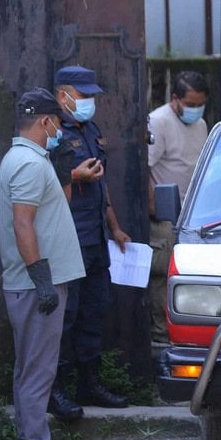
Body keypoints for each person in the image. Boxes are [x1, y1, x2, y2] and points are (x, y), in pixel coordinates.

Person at [0, 88, 86, 440]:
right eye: (57, 124)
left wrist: (63, 172)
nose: (59, 131)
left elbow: (52, 208)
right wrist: (42, 279)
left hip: (34, 282)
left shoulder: (24, 158)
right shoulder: (30, 163)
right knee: (38, 374)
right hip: (37, 284)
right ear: (46, 121)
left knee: (29, 370)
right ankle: (35, 439)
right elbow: (23, 223)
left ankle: (27, 436)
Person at [50, 65, 131, 419]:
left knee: (93, 313)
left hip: (96, 237)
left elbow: (100, 182)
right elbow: (38, 179)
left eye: (91, 97)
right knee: (63, 317)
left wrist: (114, 227)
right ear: (62, 95)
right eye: (83, 96)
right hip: (68, 238)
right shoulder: (50, 130)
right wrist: (72, 175)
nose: (88, 103)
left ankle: (89, 383)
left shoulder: (90, 129)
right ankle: (56, 389)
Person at [147, 71, 209, 344]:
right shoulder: (159, 122)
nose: (195, 110)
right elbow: (144, 169)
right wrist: (154, 207)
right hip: (164, 215)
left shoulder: (202, 124)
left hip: (192, 215)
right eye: (191, 104)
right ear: (175, 99)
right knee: (163, 277)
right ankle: (161, 337)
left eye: (200, 104)